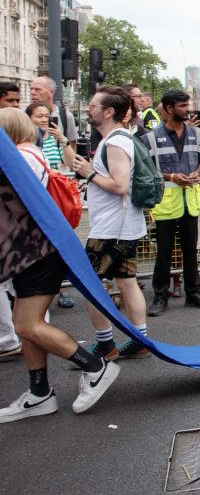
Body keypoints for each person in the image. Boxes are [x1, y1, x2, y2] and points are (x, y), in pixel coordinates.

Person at [0, 108, 120, 421]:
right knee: (25, 326)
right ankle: (40, 393)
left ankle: (94, 367)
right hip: (31, 253)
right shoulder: (25, 154)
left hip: (38, 253)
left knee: (27, 324)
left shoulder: (24, 156)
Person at [70, 86, 151, 361]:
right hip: (123, 226)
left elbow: (119, 186)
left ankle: (106, 345)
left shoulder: (115, 142)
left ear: (108, 111)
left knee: (91, 285)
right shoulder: (118, 139)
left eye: (92, 105)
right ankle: (140, 340)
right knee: (127, 281)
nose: (88, 108)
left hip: (111, 229)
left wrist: (89, 173)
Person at [144, 90, 200, 316]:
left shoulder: (196, 133)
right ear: (169, 108)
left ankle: (193, 293)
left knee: (190, 251)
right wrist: (171, 177)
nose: (188, 109)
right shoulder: (150, 138)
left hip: (190, 202)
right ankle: (160, 296)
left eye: (188, 105)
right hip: (165, 204)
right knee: (163, 252)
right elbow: (147, 170)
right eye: (183, 106)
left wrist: (197, 172)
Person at [25, 101, 78, 309]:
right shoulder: (27, 141)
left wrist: (63, 140)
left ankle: (62, 289)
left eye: (47, 116)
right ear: (28, 119)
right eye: (39, 116)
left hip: (58, 197)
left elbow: (71, 163)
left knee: (59, 245)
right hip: (40, 198)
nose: (44, 120)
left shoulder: (56, 139)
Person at [29, 76, 76, 143]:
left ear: (51, 92)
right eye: (31, 89)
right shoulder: (24, 114)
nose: (32, 92)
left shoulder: (65, 116)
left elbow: (72, 144)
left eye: (37, 89)